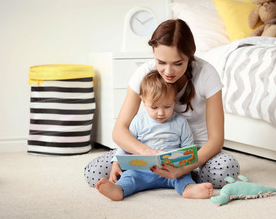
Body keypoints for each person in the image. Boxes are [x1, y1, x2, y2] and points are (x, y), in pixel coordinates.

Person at [84, 18, 240, 189]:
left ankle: (184, 176)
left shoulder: (206, 74)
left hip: (196, 152)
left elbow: (216, 140)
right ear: (153, 53)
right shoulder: (144, 74)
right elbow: (119, 130)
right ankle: (166, 178)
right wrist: (146, 152)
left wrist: (184, 167)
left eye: (178, 63)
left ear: (190, 56)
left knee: (225, 171)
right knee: (94, 174)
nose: (168, 71)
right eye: (161, 62)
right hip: (150, 150)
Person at [95, 70, 213, 200]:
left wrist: (185, 166)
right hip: (142, 171)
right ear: (144, 102)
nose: (161, 113)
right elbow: (125, 145)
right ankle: (119, 190)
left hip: (172, 170)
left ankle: (188, 189)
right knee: (129, 176)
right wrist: (116, 163)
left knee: (184, 178)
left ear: (174, 101)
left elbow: (188, 148)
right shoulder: (138, 121)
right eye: (154, 107)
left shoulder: (180, 122)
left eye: (167, 106)